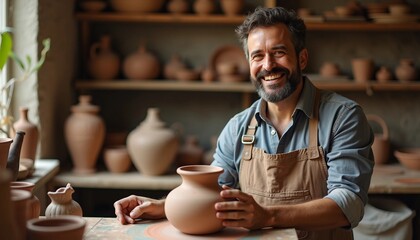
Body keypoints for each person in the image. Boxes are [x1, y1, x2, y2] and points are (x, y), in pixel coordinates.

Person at [114, 6, 374, 239]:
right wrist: (161, 205)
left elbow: (348, 203)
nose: (268, 65)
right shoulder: (239, 126)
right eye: (257, 56)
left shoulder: (343, 116)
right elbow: (211, 192)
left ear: (302, 58)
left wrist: (268, 216)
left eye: (279, 52)